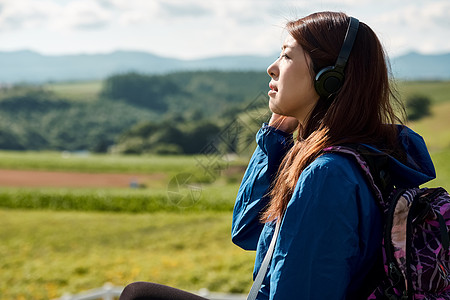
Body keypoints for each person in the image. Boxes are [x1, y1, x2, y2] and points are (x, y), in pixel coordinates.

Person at [231, 11, 436, 300]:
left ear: (330, 78)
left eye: (287, 56)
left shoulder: (328, 174)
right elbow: (248, 230)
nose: (272, 68)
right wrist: (275, 139)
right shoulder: (359, 155)